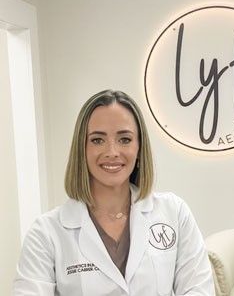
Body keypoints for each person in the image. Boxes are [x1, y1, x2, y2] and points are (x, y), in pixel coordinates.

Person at [13, 90, 215, 296]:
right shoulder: (46, 233)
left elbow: (198, 289)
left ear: (139, 148)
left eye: (125, 139)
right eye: (97, 140)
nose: (112, 151)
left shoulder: (174, 212)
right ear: (81, 149)